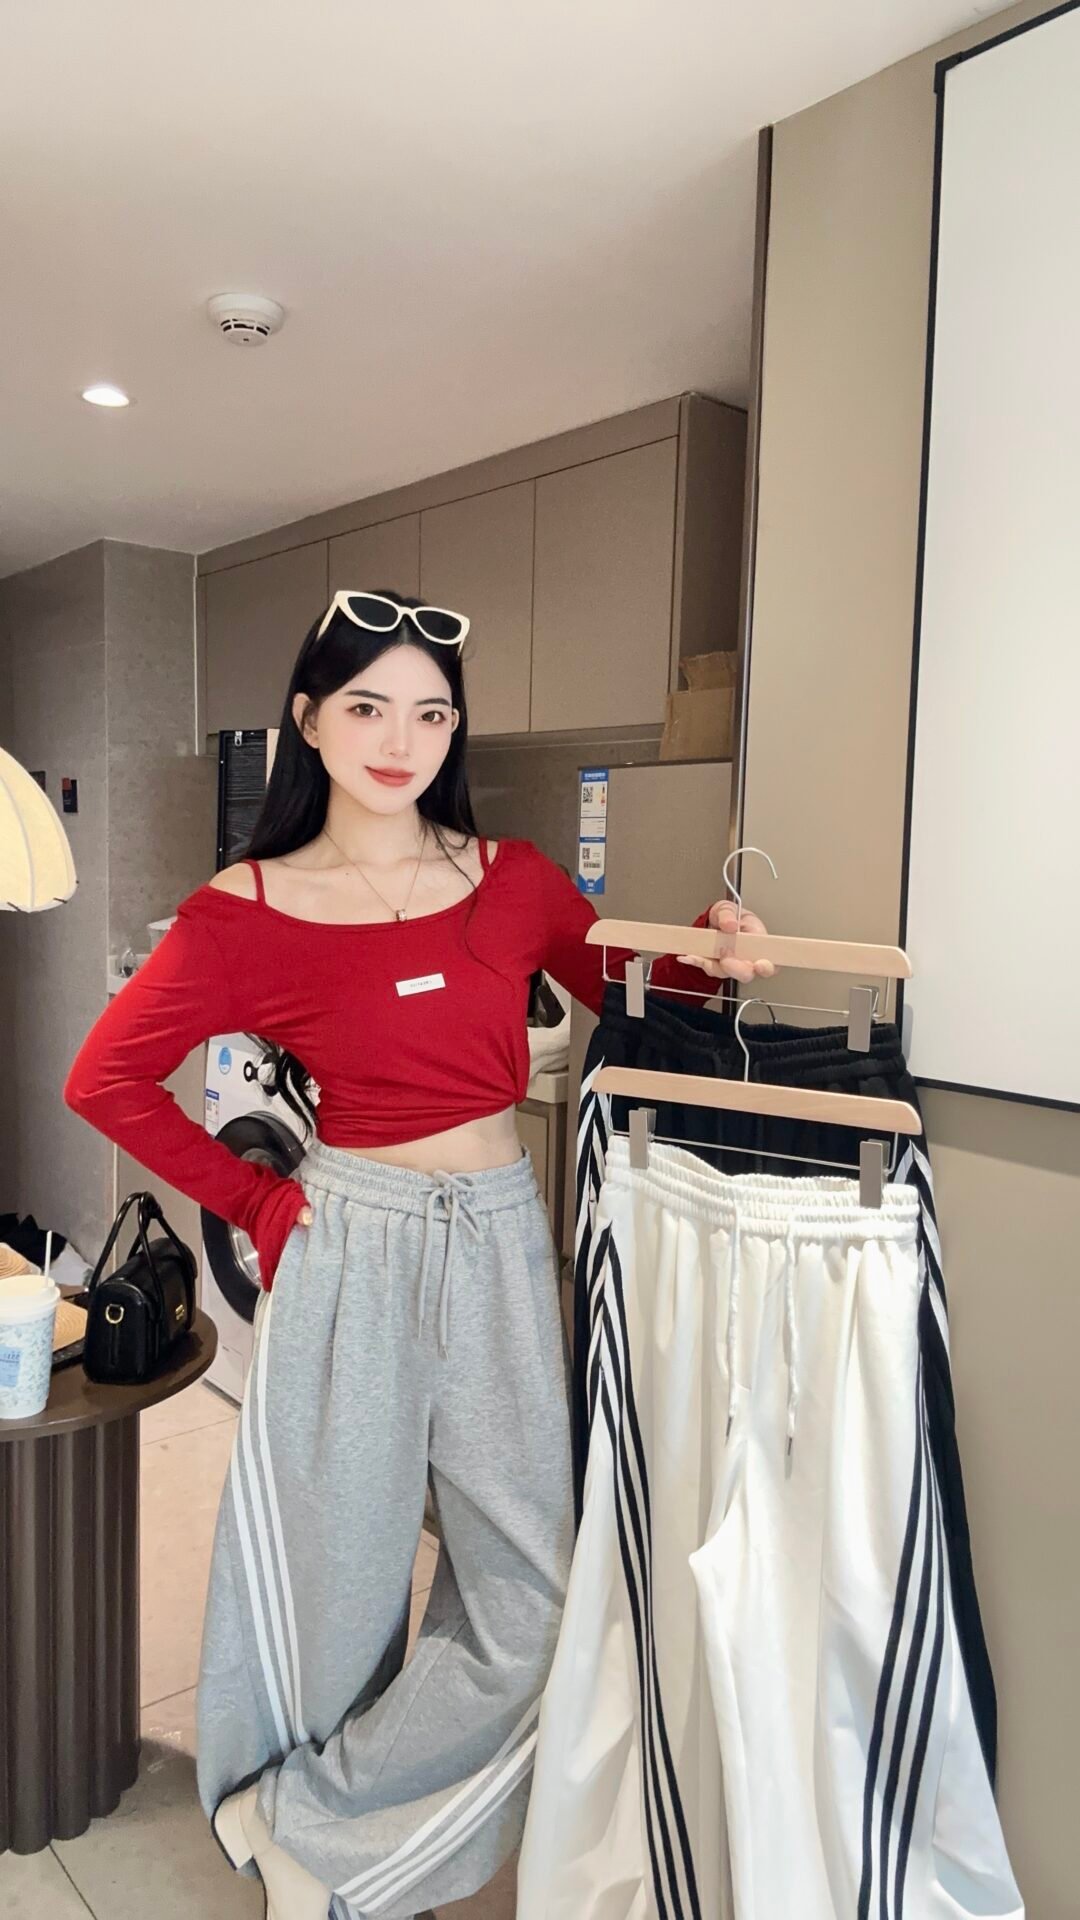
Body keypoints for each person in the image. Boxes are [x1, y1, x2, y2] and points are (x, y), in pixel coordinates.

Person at [63, 589, 773, 1920]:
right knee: (339, 1579)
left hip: (499, 1238)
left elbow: (637, 991)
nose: (402, 740)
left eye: (432, 713)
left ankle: (314, 1821)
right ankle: (307, 1858)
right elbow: (103, 1081)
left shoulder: (513, 881)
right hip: (355, 1240)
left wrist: (710, 949)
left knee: (536, 1597)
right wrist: (259, 1205)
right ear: (309, 721)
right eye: (369, 706)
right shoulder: (245, 908)